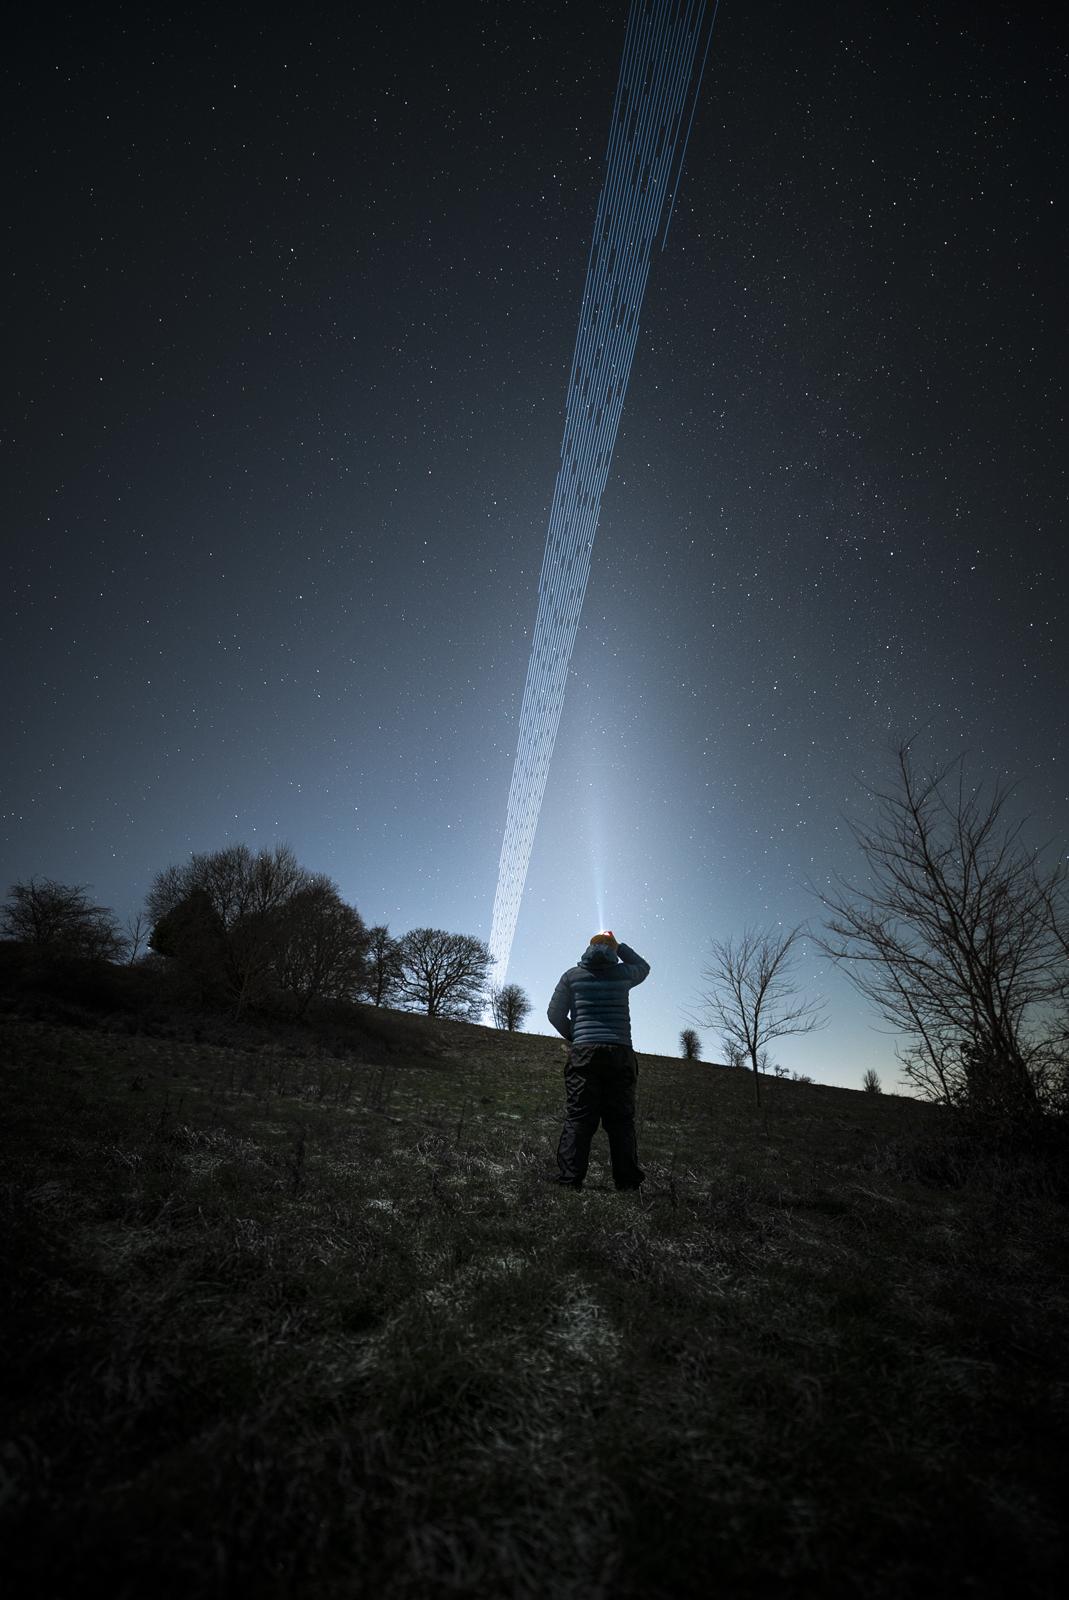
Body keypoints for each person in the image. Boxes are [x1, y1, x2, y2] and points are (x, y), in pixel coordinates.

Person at [547, 930, 650, 1192]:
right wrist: (621, 947)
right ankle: (627, 1184)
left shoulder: (572, 975)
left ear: (588, 948)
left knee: (579, 1118)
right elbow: (644, 967)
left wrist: (577, 1036)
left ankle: (570, 1182)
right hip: (620, 1053)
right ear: (613, 949)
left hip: (584, 1054)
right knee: (621, 1121)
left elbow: (554, 1013)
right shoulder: (623, 973)